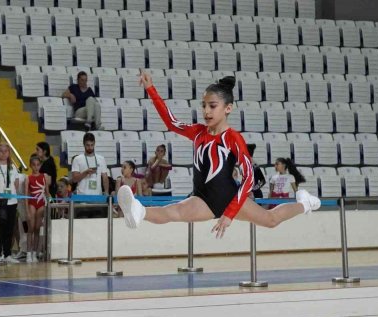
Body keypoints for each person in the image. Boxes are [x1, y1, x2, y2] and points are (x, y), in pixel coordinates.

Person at [117, 71, 320, 239]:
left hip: (230, 198)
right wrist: (151, 89)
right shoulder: (198, 132)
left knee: (271, 220)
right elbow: (171, 122)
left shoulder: (233, 138)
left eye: (212, 106)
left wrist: (230, 214)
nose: (206, 111)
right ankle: (138, 209)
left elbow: (249, 179)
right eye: (204, 105)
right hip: (204, 198)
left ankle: (304, 203)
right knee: (174, 212)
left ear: (228, 108)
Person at [70, 133, 109, 218]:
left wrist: (106, 192)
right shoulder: (77, 159)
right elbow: (74, 179)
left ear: (94, 143)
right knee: (82, 227)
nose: (90, 147)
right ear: (83, 144)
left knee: (98, 226)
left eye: (92, 145)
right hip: (82, 198)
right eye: (87, 145)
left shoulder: (101, 159)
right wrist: (86, 173)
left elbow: (105, 177)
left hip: (97, 198)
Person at [25, 155, 50, 263]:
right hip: (32, 203)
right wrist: (27, 211)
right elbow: (26, 195)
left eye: (38, 165)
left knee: (37, 228)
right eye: (34, 165)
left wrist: (48, 204)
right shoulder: (28, 178)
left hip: (41, 203)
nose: (36, 167)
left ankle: (35, 252)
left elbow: (47, 192)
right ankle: (28, 253)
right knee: (30, 228)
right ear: (30, 166)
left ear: (40, 165)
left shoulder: (44, 177)